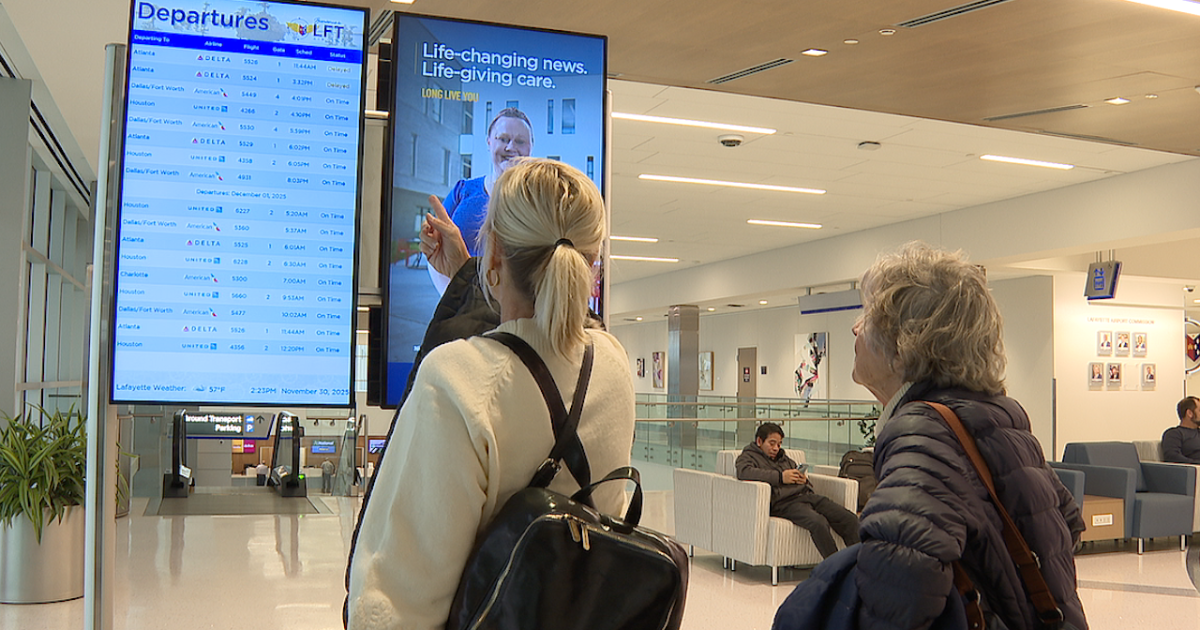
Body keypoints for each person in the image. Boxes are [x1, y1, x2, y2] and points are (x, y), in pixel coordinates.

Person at [347, 159, 635, 629]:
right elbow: (532, 345)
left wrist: (473, 278)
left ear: (495, 254)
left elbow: (397, 606)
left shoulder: (454, 380)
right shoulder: (613, 364)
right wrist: (468, 275)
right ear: (592, 266)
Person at [849, 242, 1086, 630]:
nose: (855, 327)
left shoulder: (919, 432)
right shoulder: (998, 415)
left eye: (868, 315)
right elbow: (1066, 522)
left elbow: (900, 582)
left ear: (903, 347)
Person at [424, 108, 534, 294]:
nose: (511, 147)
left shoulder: (541, 200)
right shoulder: (463, 191)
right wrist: (455, 300)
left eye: (520, 141)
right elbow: (434, 250)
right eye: (503, 139)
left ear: (531, 147)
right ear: (489, 142)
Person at [736, 422, 859, 559]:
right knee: (818, 523)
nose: (776, 448)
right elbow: (744, 472)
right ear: (759, 441)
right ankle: (837, 566)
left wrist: (802, 480)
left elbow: (797, 476)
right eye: (772, 443)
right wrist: (781, 477)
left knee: (850, 519)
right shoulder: (748, 457)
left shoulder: (784, 458)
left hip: (806, 496)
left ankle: (861, 563)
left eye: (779, 444)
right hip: (784, 503)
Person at [1161, 396, 1200, 464]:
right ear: (1189, 413)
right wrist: (1197, 464)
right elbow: (1172, 457)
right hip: (1192, 468)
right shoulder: (1174, 433)